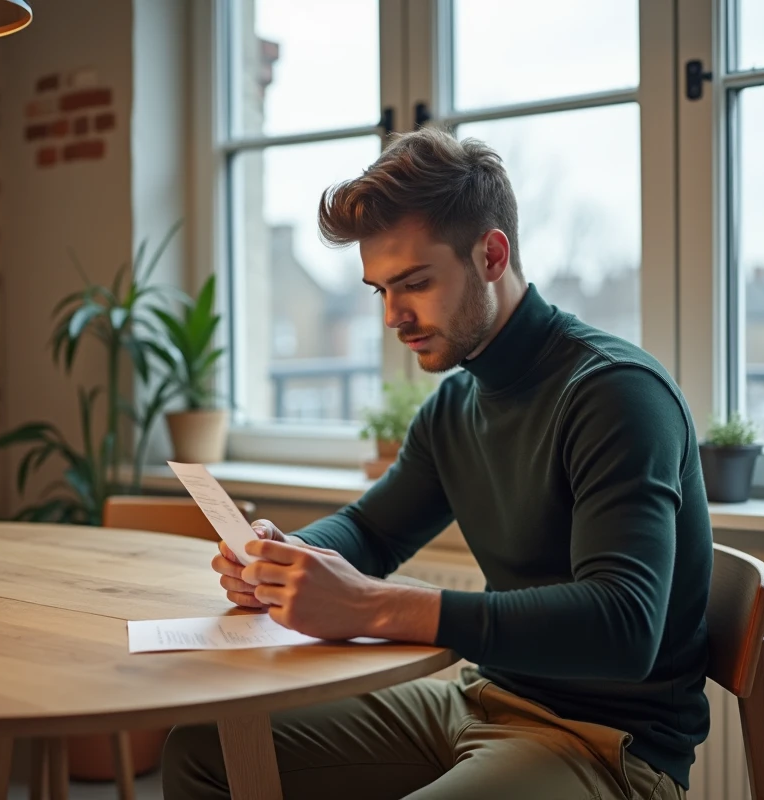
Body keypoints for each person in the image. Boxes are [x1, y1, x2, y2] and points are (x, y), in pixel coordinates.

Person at [162, 127, 712, 800]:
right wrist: (287, 557)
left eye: (415, 283)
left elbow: (623, 626)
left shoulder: (615, 394)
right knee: (205, 749)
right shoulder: (456, 405)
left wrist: (376, 606)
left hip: (606, 745)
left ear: (491, 254)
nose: (394, 316)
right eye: (380, 290)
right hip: (477, 699)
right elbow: (372, 533)